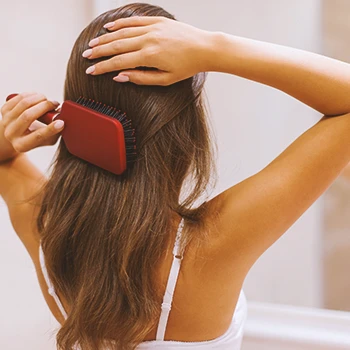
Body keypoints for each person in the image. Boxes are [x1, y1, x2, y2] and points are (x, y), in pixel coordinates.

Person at [1, 2, 350, 350]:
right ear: (185, 126)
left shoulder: (44, 224)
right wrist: (216, 48)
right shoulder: (213, 242)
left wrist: (6, 140)